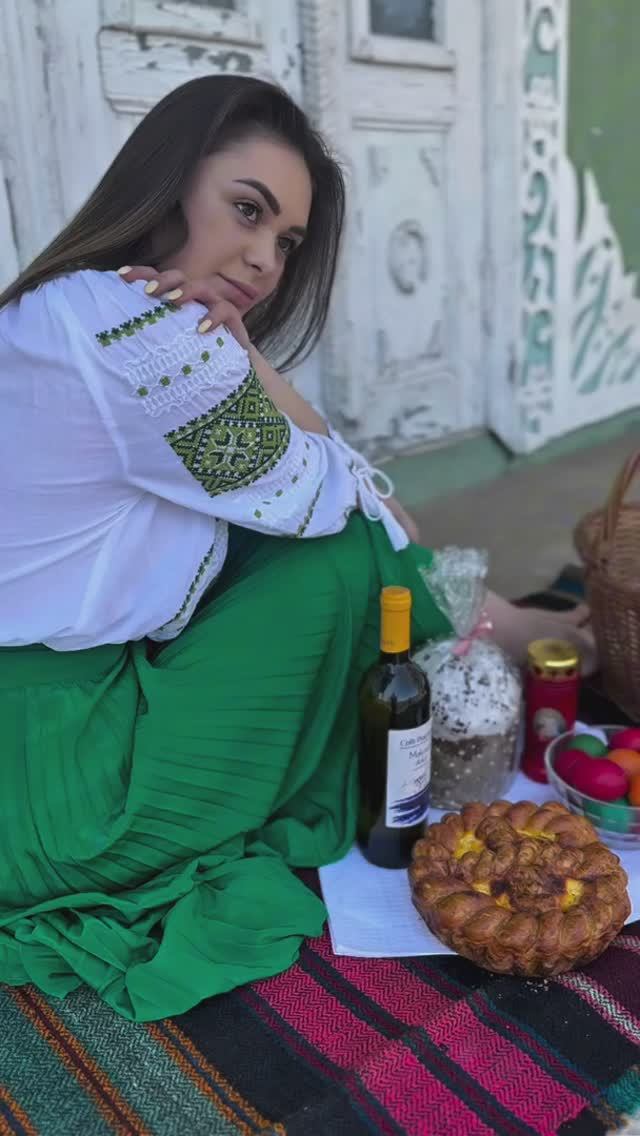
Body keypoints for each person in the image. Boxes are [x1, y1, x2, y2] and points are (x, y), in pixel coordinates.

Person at [0, 76, 594, 1022]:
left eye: (286, 242)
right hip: (72, 791)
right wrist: (252, 362)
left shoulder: (64, 306)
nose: (264, 261)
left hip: (30, 746)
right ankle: (505, 634)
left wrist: (242, 360)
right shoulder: (138, 327)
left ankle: (504, 626)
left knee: (280, 534)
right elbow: (352, 499)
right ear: (164, 184)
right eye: (246, 210)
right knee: (334, 556)